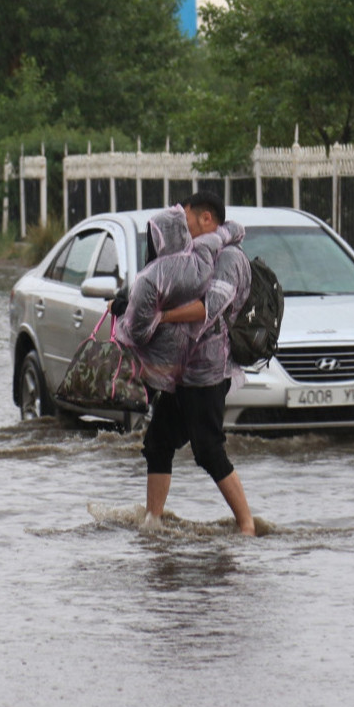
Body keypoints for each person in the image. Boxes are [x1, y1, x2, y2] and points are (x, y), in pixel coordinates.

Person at [122, 192, 255, 536]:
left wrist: (160, 316)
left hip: (210, 370)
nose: (183, 227)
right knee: (158, 443)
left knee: (208, 449)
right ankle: (153, 524)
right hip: (180, 371)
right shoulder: (190, 258)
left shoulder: (231, 258)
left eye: (189, 220)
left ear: (207, 219)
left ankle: (247, 526)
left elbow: (209, 307)